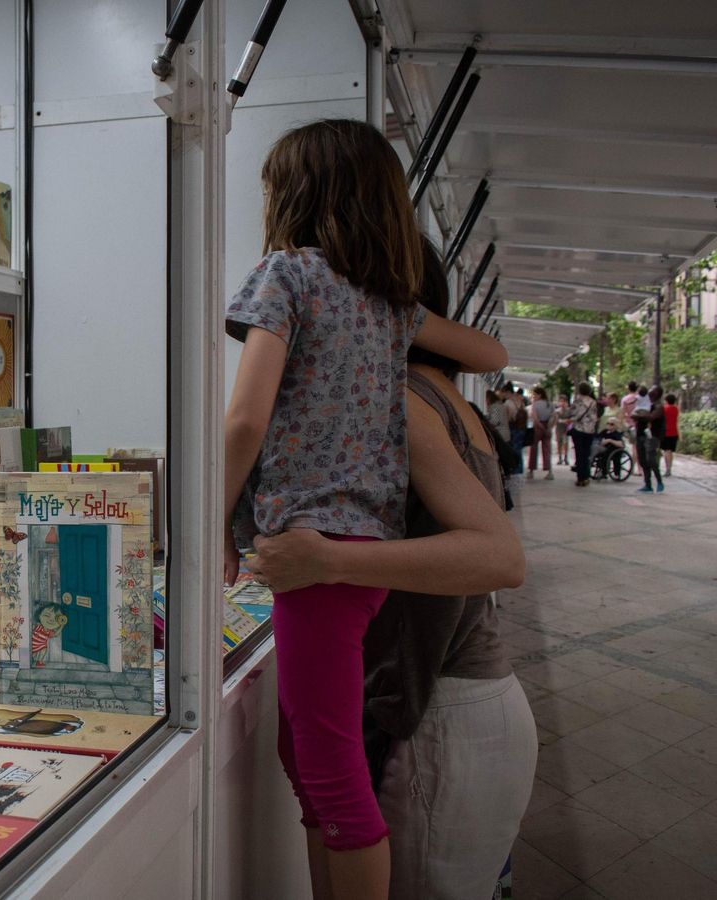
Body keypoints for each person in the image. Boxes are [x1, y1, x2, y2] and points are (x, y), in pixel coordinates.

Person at [222, 118, 505, 900]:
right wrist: (395, 330)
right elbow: (493, 354)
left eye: (275, 187)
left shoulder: (286, 274)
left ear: (303, 193)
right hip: (360, 542)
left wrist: (209, 520)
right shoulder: (387, 304)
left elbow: (245, 419)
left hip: (317, 547)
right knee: (307, 757)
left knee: (331, 774)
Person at [568, 384, 601, 487]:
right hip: (589, 431)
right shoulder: (593, 402)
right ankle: (586, 476)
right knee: (586, 454)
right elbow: (595, 417)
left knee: (579, 453)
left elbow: (573, 413)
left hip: (578, 429)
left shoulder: (577, 401)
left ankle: (580, 477)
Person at [634, 387, 665, 493]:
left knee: (650, 459)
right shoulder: (644, 403)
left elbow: (651, 417)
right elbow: (634, 414)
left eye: (653, 391)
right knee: (642, 459)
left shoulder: (658, 406)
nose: (650, 392)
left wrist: (640, 415)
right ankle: (648, 484)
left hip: (653, 436)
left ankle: (659, 481)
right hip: (641, 433)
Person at [527, 387, 553, 480]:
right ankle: (549, 471)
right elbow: (554, 417)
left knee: (533, 448)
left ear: (539, 395)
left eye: (535, 395)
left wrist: (540, 425)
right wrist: (549, 427)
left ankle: (531, 471)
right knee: (547, 449)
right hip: (547, 426)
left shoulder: (535, 404)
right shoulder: (550, 404)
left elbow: (535, 417)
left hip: (538, 428)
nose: (534, 397)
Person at [661, 393, 680, 476]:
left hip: (665, 432)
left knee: (666, 451)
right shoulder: (676, 409)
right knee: (671, 451)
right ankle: (670, 467)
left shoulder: (664, 409)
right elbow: (677, 421)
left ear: (666, 400)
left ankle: (667, 468)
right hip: (674, 432)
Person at [554, 395, 571, 465]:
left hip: (566, 429)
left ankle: (566, 458)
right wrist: (562, 421)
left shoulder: (569, 410)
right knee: (559, 443)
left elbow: (571, 419)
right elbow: (556, 420)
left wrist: (568, 424)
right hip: (559, 429)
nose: (562, 403)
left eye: (564, 401)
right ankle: (560, 458)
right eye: (561, 401)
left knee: (565, 443)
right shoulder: (557, 411)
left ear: (566, 402)